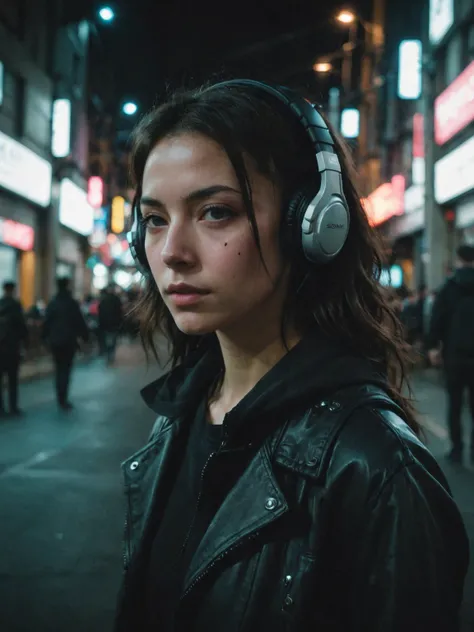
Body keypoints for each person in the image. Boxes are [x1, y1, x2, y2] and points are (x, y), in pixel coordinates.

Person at [114, 80, 469, 632]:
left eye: (214, 212)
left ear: (312, 225)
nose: (171, 253)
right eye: (156, 219)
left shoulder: (375, 469)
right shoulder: (177, 418)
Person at [427, 244, 474, 463]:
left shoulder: (449, 288)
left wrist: (433, 346)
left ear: (458, 259)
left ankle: (457, 448)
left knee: (454, 404)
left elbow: (437, 319)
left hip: (454, 355)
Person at [42, 277, 89, 410]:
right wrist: (85, 337)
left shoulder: (53, 303)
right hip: (69, 341)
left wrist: (44, 337)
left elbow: (47, 322)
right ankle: (63, 397)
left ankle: (59, 395)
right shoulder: (71, 303)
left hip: (55, 342)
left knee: (58, 369)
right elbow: (79, 322)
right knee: (66, 369)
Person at [0, 281, 28, 416]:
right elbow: (22, 327)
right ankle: (13, 407)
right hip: (12, 347)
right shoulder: (16, 306)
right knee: (12, 379)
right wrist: (25, 343)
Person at [98, 285, 124, 364]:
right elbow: (120, 312)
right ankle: (111, 355)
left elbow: (100, 312)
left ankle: (108, 354)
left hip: (105, 324)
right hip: (114, 324)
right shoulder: (116, 299)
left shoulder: (103, 300)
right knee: (113, 339)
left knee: (106, 339)